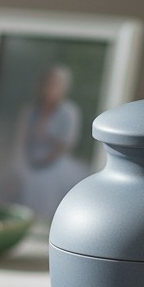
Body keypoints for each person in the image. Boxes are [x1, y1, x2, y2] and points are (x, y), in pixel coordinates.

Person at [10, 64, 89, 219]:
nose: (49, 89)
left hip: (54, 165)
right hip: (30, 163)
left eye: (55, 85)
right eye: (47, 84)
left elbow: (65, 144)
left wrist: (43, 161)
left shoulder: (69, 112)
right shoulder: (30, 110)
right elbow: (21, 140)